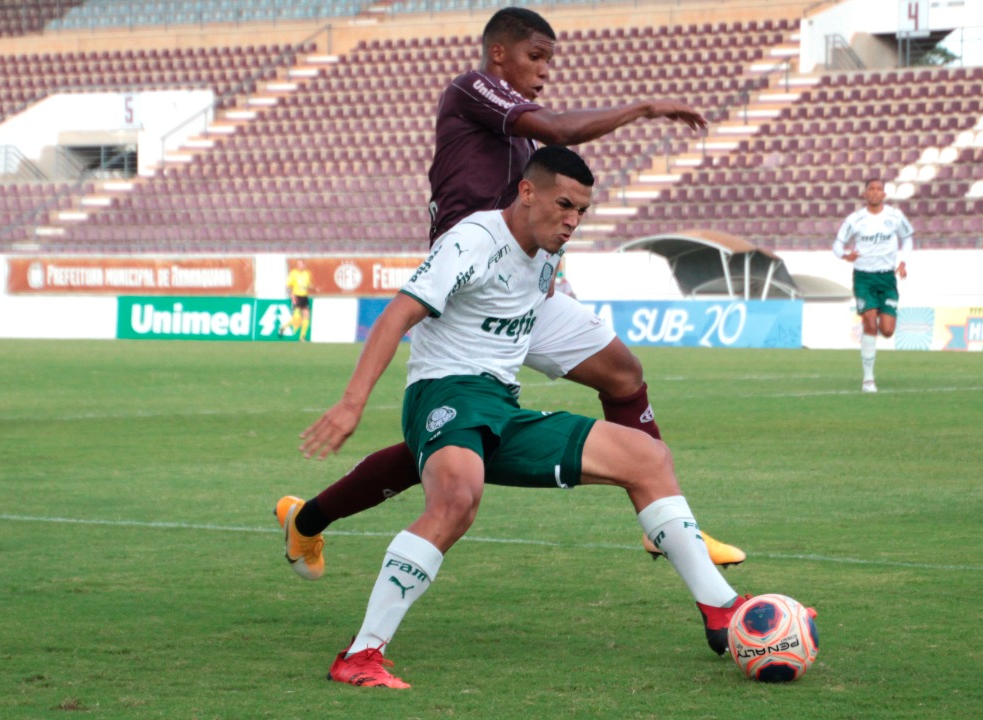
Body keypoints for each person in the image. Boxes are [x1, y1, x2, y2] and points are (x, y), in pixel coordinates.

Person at [275, 6, 744, 581]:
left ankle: (665, 528)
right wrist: (645, 108)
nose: (545, 69)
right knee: (453, 444)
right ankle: (310, 518)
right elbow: (563, 132)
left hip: (526, 291)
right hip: (469, 293)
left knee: (621, 374)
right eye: (536, 55)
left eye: (550, 59)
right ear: (499, 53)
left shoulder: (519, 144)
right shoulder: (472, 90)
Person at [300, 147, 748, 689]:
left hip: (501, 403)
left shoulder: (545, 252)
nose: (573, 221)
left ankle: (723, 610)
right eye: (564, 205)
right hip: (445, 391)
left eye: (582, 212)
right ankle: (361, 654)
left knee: (648, 457)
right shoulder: (472, 243)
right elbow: (398, 312)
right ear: (527, 192)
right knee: (457, 499)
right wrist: (352, 402)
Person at [834, 178, 914, 393]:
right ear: (865, 194)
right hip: (863, 278)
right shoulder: (855, 219)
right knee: (870, 323)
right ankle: (868, 379)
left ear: (884, 194)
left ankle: (871, 332)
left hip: (887, 279)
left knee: (887, 331)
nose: (875, 192)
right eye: (871, 189)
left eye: (879, 189)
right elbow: (837, 245)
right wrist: (844, 255)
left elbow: (907, 238)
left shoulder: (895, 217)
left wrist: (903, 262)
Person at [282, 259, 313, 341]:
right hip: (296, 296)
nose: (299, 265)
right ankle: (283, 327)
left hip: (304, 297)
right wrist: (291, 295)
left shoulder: (307, 273)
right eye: (298, 264)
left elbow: (308, 284)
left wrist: (312, 287)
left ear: (304, 265)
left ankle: (302, 337)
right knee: (297, 319)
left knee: (306, 316)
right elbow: (288, 286)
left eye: (301, 264)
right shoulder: (293, 273)